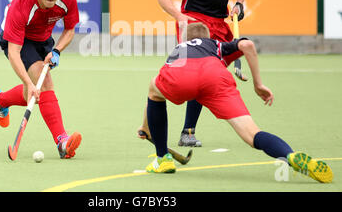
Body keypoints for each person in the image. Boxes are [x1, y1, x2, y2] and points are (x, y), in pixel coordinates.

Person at [141, 22, 333, 185]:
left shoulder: (179, 48)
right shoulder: (215, 44)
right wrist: (258, 85)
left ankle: (162, 159)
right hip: (215, 76)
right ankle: (290, 155)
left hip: (182, 76)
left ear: (183, 39)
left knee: (153, 90)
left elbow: (156, 93)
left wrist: (145, 127)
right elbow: (248, 45)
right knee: (252, 134)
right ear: (208, 36)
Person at [138, 0, 248, 147]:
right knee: (193, 75)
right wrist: (179, 17)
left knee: (204, 77)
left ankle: (161, 126)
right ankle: (182, 131)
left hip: (219, 23)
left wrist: (239, 3)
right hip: (193, 25)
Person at [0, 0, 82, 159]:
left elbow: (70, 29)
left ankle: (1, 100)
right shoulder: (21, 5)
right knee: (42, 81)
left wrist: (57, 51)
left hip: (44, 39)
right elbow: (14, 51)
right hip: (17, 40)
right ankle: (62, 142)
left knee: (32, 92)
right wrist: (28, 82)